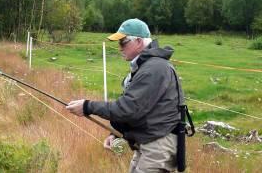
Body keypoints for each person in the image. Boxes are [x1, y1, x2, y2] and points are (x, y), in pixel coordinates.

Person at [66, 18, 184, 173]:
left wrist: (87, 106)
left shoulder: (154, 68)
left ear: (139, 42)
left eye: (123, 42)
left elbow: (128, 108)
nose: (120, 47)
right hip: (148, 141)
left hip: (158, 146)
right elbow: (139, 110)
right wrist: (116, 134)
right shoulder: (147, 66)